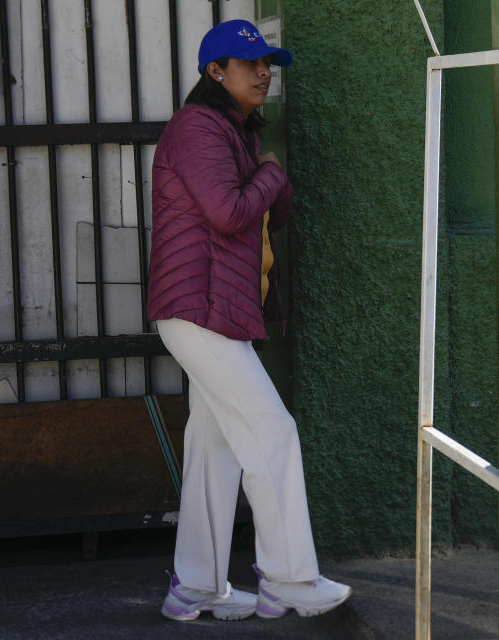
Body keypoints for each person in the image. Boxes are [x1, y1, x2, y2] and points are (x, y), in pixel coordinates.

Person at [146, 19, 352, 622]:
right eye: (248, 63)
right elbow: (230, 211)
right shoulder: (197, 128)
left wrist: (268, 172)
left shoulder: (233, 133)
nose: (264, 72)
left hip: (216, 309)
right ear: (216, 72)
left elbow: (270, 215)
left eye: (268, 63)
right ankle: (289, 578)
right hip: (198, 308)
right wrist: (269, 171)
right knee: (274, 432)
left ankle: (196, 586)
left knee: (215, 448)